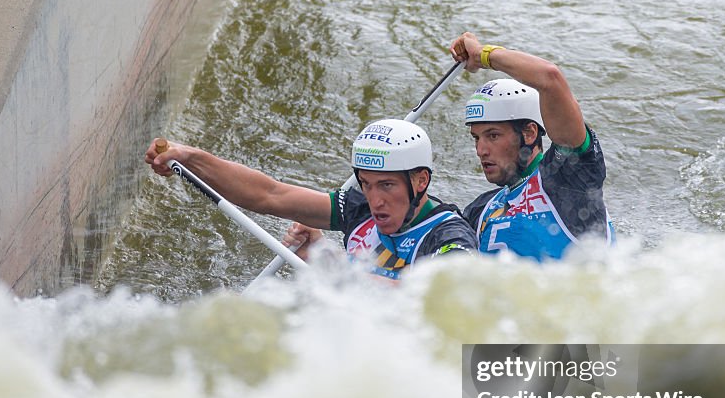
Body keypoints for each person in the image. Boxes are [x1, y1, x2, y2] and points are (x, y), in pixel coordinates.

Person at [145, 118, 476, 281]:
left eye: (387, 186)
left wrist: (332, 265)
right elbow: (269, 195)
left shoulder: (451, 239)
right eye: (367, 184)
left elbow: (424, 305)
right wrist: (191, 158)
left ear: (420, 181)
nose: (375, 201)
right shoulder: (357, 209)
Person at [449, 32, 615, 260]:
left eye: (493, 135)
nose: (481, 150)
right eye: (477, 138)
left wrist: (483, 55)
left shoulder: (568, 179)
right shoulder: (481, 209)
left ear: (529, 133)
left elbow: (550, 78)